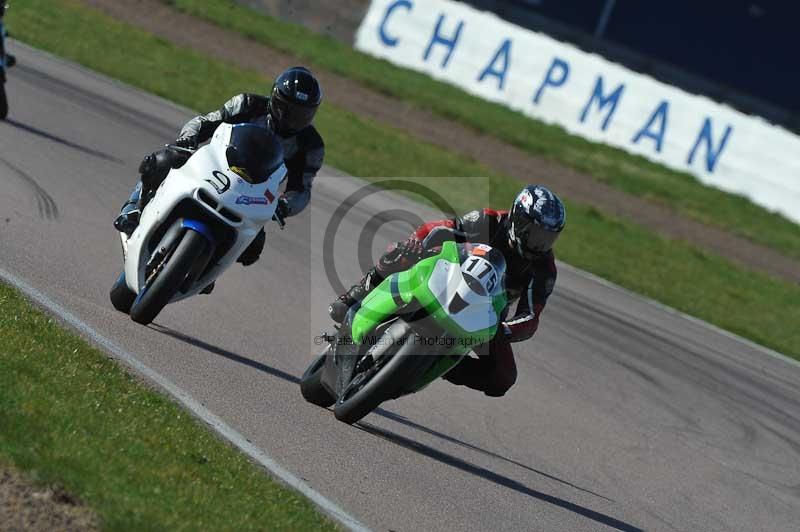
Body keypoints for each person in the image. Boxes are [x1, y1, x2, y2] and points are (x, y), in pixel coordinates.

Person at [330, 185, 566, 397]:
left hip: (484, 314)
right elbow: (441, 229)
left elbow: (531, 316)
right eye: (535, 233)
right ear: (518, 218)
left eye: (548, 237)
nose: (540, 243)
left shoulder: (544, 269)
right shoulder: (489, 220)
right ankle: (355, 296)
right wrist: (416, 245)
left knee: (503, 377)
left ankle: (438, 365)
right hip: (445, 276)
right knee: (400, 254)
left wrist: (503, 330)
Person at [114, 66, 324, 268]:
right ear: (276, 99)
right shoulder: (247, 104)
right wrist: (188, 139)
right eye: (289, 109)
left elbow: (302, 189)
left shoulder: (311, 146)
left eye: (302, 114)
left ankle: (208, 264)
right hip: (215, 168)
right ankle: (134, 208)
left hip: (254, 196)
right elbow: (205, 121)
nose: (294, 119)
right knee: (164, 160)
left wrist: (285, 205)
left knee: (253, 249)